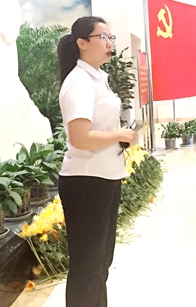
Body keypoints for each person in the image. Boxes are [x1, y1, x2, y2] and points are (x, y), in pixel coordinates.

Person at [57, 16, 137, 307]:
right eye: (103, 37)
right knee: (87, 268)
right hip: (86, 181)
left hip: (104, 177)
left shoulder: (96, 77)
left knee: (100, 263)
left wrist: (118, 137)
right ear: (81, 42)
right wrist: (120, 134)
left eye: (110, 37)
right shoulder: (78, 82)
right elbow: (80, 137)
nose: (109, 43)